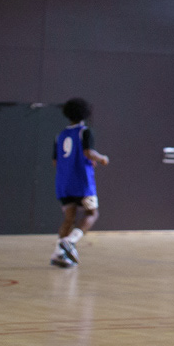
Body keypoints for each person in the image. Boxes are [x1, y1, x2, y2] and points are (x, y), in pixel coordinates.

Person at [50, 98, 109, 269]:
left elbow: (55, 161)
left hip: (63, 183)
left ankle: (58, 254)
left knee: (69, 218)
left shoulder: (60, 135)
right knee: (92, 213)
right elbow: (88, 152)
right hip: (81, 182)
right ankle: (70, 241)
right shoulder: (85, 132)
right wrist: (102, 158)